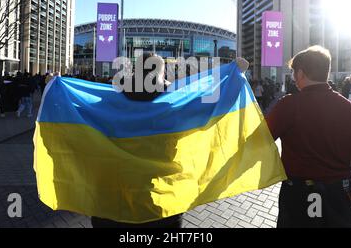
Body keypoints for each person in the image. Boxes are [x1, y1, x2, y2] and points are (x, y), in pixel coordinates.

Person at [91, 54, 250, 228]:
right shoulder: (174, 110)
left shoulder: (106, 106)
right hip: (161, 201)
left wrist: (56, 87)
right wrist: (236, 75)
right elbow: (218, 106)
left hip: (112, 204)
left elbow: (72, 114)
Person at [266, 46, 351, 228]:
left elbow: (261, 139)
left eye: (294, 73)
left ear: (300, 73)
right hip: (339, 194)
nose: (294, 78)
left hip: (299, 194)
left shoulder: (288, 105)